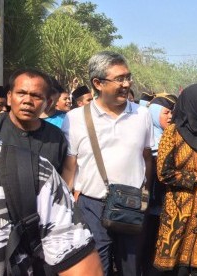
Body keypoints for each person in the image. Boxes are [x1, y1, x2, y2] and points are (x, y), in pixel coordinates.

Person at [61, 51, 154, 276]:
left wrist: (145, 193)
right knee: (95, 267)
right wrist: (66, 204)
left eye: (128, 78)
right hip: (91, 206)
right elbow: (70, 166)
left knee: (130, 268)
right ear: (97, 83)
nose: (126, 84)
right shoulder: (75, 118)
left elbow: (147, 158)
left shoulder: (142, 114)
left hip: (132, 205)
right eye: (119, 79)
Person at [0, 141, 103, 275]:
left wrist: (65, 198)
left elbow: (83, 269)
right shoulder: (2, 127)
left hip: (56, 215)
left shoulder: (42, 166)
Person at [153, 84, 197, 275]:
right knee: (177, 270)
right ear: (193, 104)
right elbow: (164, 173)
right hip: (180, 212)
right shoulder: (173, 132)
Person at [0, 69, 68, 173]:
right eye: (21, 93)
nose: (28, 101)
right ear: (9, 97)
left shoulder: (56, 138)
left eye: (36, 96)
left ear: (48, 103)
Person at [142, 93, 177, 276]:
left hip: (168, 206)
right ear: (154, 115)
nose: (170, 116)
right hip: (148, 207)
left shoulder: (174, 139)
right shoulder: (145, 141)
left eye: (172, 112)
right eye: (166, 112)